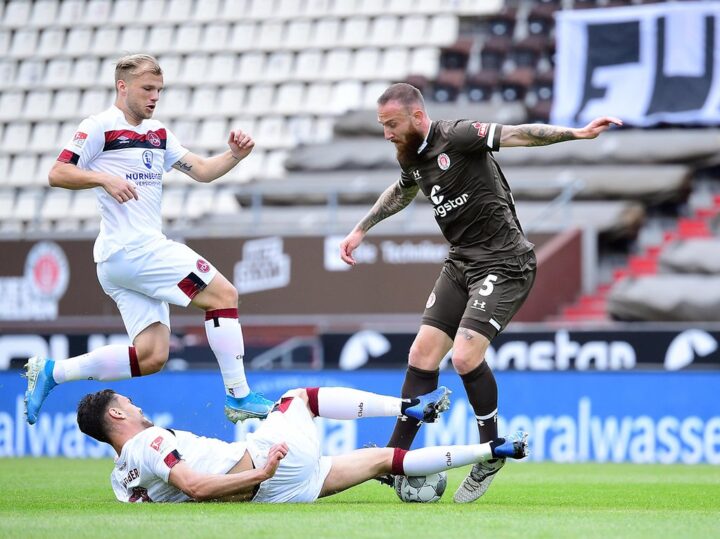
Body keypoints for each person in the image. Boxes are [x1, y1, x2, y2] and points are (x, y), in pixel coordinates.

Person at [339, 83, 622, 503]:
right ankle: (393, 456)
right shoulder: (411, 157)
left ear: (417, 117)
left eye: (392, 124)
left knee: (466, 355)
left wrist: (576, 133)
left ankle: (490, 452)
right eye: (382, 126)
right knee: (421, 355)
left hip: (506, 262)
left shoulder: (456, 135)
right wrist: (361, 228)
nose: (387, 133)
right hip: (461, 264)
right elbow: (402, 190)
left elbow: (519, 133)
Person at [24, 53, 273, 426]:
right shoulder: (99, 127)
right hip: (134, 250)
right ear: (122, 87)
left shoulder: (159, 134)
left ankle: (53, 372)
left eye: (159, 89)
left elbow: (202, 171)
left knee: (152, 356)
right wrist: (104, 178)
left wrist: (234, 156)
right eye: (147, 89)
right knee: (223, 295)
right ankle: (238, 395)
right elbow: (58, 173)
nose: (154, 96)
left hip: (122, 262)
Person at [76, 384, 530, 503]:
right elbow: (194, 486)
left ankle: (495, 451)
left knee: (377, 461)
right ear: (117, 414)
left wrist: (260, 480)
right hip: (264, 468)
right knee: (300, 398)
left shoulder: (121, 481)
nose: (138, 408)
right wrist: (262, 470)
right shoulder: (152, 440)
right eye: (129, 403)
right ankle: (408, 406)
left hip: (265, 496)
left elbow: (180, 496)